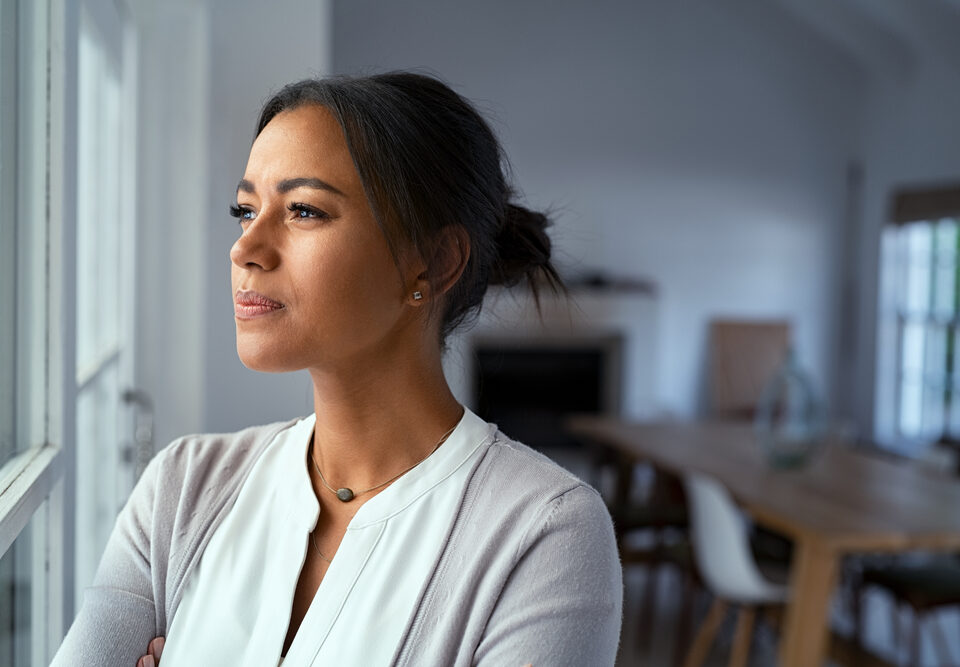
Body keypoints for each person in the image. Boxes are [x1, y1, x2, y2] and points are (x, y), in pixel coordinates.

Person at [52, 72, 622, 666]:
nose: (245, 248)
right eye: (245, 210)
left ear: (432, 263)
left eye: (303, 210)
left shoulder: (544, 535)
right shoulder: (183, 489)